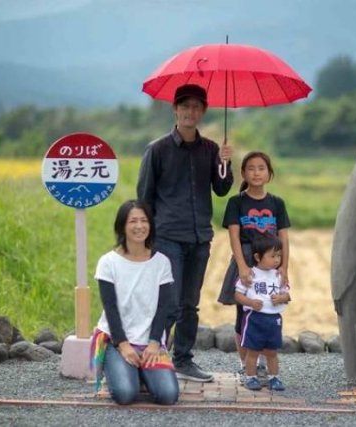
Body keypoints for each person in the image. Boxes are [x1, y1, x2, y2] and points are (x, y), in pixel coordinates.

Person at [137, 84, 234, 382]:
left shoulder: (210, 150)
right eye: (185, 106)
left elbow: (221, 189)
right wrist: (145, 239)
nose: (190, 112)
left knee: (190, 303)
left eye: (196, 107)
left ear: (203, 111)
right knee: (169, 300)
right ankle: (154, 359)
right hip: (167, 236)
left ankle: (183, 360)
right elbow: (144, 197)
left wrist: (225, 163)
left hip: (199, 237)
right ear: (174, 109)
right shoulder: (158, 149)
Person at [90, 199, 179, 405]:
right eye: (133, 221)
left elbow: (163, 307)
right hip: (117, 340)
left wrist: (155, 343)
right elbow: (110, 308)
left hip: (150, 342)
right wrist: (123, 345)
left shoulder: (162, 262)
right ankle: (125, 369)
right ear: (122, 226)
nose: (139, 226)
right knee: (125, 394)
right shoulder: (108, 262)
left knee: (168, 395)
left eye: (143, 220)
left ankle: (141, 371)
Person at [217, 151, 290, 380]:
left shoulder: (277, 203)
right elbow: (234, 237)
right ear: (243, 173)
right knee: (245, 312)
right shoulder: (236, 202)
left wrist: (284, 268)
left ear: (269, 173)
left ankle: (267, 362)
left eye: (261, 168)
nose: (256, 173)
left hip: (271, 264)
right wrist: (242, 266)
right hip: (246, 259)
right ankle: (246, 363)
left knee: (270, 308)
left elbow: (284, 238)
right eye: (251, 168)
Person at [235, 236, 291, 391]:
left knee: (272, 352)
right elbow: (238, 294)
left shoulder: (278, 275)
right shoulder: (250, 274)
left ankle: (274, 378)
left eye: (279, 255)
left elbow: (288, 295)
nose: (276, 260)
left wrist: (281, 298)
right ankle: (251, 377)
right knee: (253, 351)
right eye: (272, 256)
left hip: (274, 319)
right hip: (254, 318)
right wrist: (250, 303)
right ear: (258, 257)